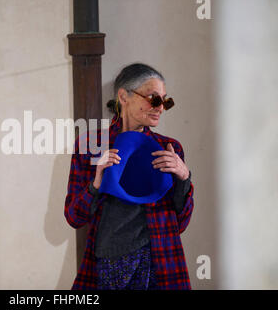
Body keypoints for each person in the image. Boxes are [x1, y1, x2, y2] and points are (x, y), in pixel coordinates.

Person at [64, 63, 194, 290]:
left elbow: (181, 223)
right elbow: (74, 217)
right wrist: (96, 183)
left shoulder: (170, 148)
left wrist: (184, 178)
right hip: (110, 265)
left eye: (165, 101)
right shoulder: (91, 146)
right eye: (154, 99)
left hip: (162, 262)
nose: (160, 108)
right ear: (124, 96)